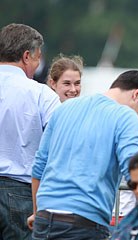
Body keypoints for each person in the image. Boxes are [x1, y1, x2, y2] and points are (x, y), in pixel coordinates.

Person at [27, 70, 138, 239]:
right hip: (85, 221)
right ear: (137, 94)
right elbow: (134, 171)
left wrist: (37, 212)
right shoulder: (126, 116)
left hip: (45, 218)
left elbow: (39, 166)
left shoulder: (65, 108)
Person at [0, 23, 60, 239]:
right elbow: (60, 146)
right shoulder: (41, 94)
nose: (37, 65)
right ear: (27, 56)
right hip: (21, 192)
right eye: (37, 58)